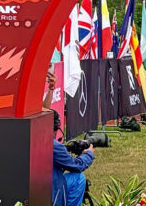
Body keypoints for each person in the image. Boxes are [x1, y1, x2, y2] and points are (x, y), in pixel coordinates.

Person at [43, 67, 95, 206]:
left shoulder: (32, 136)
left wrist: (51, 89)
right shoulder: (54, 146)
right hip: (48, 191)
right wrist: (88, 154)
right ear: (55, 128)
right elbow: (76, 166)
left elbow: (42, 115)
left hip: (34, 186)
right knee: (79, 178)